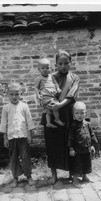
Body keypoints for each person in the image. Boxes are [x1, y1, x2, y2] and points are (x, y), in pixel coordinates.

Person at [41, 50, 80, 184]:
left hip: (68, 114)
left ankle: (72, 173)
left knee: (70, 143)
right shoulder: (50, 77)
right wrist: (52, 105)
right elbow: (45, 91)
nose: (63, 66)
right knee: (52, 144)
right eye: (60, 63)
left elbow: (72, 95)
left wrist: (60, 105)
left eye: (66, 63)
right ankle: (54, 174)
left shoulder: (75, 78)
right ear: (56, 64)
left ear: (70, 63)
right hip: (52, 113)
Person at [0, 83, 35, 187]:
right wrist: (5, 138)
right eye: (11, 94)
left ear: (21, 94)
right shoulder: (6, 108)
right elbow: (3, 124)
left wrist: (29, 135)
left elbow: (29, 121)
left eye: (17, 94)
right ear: (7, 95)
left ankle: (29, 176)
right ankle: (15, 178)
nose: (14, 97)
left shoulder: (24, 106)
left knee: (25, 156)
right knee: (13, 157)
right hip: (11, 137)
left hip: (23, 136)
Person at [68, 101, 98, 188]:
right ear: (73, 114)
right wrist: (71, 149)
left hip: (86, 148)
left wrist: (92, 145)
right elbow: (70, 138)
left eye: (82, 113)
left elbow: (92, 134)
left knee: (86, 162)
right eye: (77, 113)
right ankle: (75, 180)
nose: (79, 115)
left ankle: (85, 177)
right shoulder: (73, 125)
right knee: (77, 164)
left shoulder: (87, 124)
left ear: (86, 113)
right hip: (77, 150)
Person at [35, 58, 64, 128]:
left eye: (47, 68)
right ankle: (57, 119)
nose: (45, 69)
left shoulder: (51, 76)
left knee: (48, 110)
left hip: (52, 96)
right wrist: (38, 95)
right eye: (43, 68)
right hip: (45, 97)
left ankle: (48, 122)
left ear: (50, 68)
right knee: (55, 107)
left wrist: (57, 88)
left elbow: (56, 83)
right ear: (39, 69)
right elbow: (36, 87)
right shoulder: (39, 78)